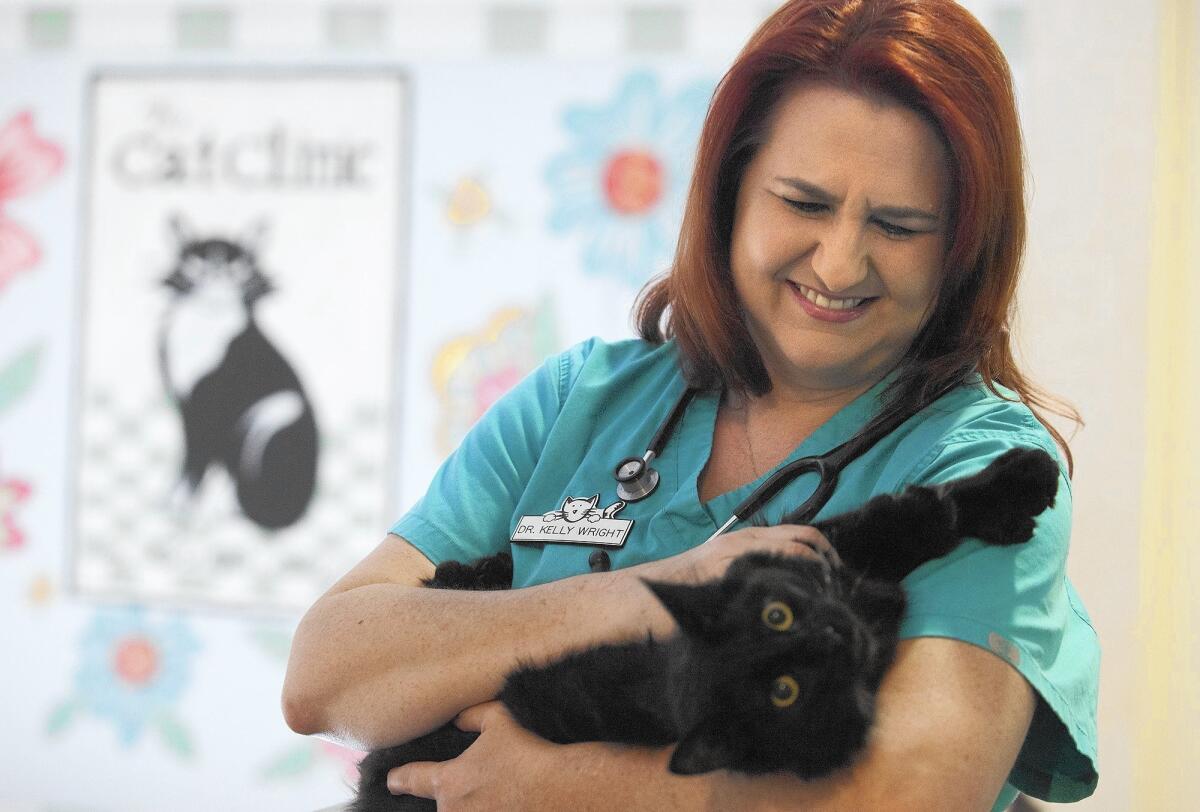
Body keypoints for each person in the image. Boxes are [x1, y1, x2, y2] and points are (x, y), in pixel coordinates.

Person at [282, 1, 1100, 809]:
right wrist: (661, 590)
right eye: (805, 204)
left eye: (898, 225)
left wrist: (564, 788)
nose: (842, 262)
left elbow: (916, 791)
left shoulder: (979, 466)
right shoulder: (582, 402)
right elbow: (324, 676)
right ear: (731, 193)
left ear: (962, 248)